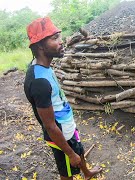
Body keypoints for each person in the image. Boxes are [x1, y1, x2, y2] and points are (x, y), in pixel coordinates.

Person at [24, 17, 102, 179]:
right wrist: (69, 152)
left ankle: (87, 173)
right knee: (67, 170)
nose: (61, 42)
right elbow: (50, 126)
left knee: (79, 149)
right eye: (54, 38)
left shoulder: (43, 66)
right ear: (40, 46)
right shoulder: (39, 82)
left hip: (67, 125)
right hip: (59, 135)